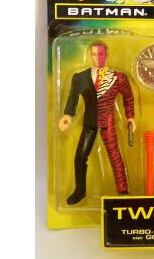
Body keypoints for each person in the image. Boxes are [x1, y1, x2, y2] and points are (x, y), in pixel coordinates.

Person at [58, 42, 136, 204]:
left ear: (106, 54)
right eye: (93, 54)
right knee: (80, 157)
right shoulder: (81, 77)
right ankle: (80, 191)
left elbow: (128, 97)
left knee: (115, 157)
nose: (97, 58)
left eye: (100, 54)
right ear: (89, 56)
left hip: (108, 122)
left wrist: (130, 118)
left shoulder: (117, 77)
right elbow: (72, 98)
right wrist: (68, 115)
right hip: (89, 122)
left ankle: (123, 192)